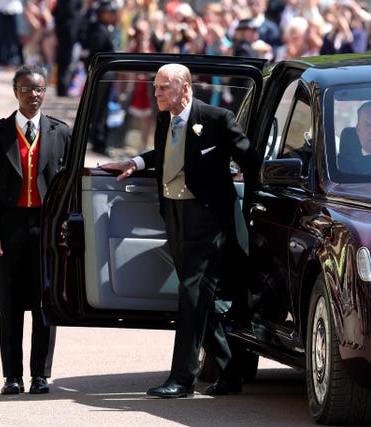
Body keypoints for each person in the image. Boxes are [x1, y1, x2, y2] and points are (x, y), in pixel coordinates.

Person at [100, 63, 261, 398]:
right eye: (156, 87)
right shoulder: (165, 117)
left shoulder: (217, 118)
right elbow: (166, 152)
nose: (156, 93)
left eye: (163, 87)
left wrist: (245, 193)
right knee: (197, 297)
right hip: (174, 213)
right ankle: (230, 372)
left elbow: (250, 159)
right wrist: (137, 163)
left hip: (207, 219)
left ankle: (183, 378)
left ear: (185, 87)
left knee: (189, 294)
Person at [0, 64, 70, 395]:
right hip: (8, 227)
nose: (33, 96)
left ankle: (40, 374)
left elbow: (70, 184)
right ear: (15, 91)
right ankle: (12, 376)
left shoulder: (60, 133)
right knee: (9, 303)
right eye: (26, 89)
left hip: (45, 229)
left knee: (45, 303)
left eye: (39, 89)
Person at [78, 0, 119, 155]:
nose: (113, 15)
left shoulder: (106, 29)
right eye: (110, 13)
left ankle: (98, 139)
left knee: (101, 109)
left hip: (105, 75)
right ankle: (96, 139)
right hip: (101, 76)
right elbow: (95, 54)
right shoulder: (98, 30)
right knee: (97, 109)